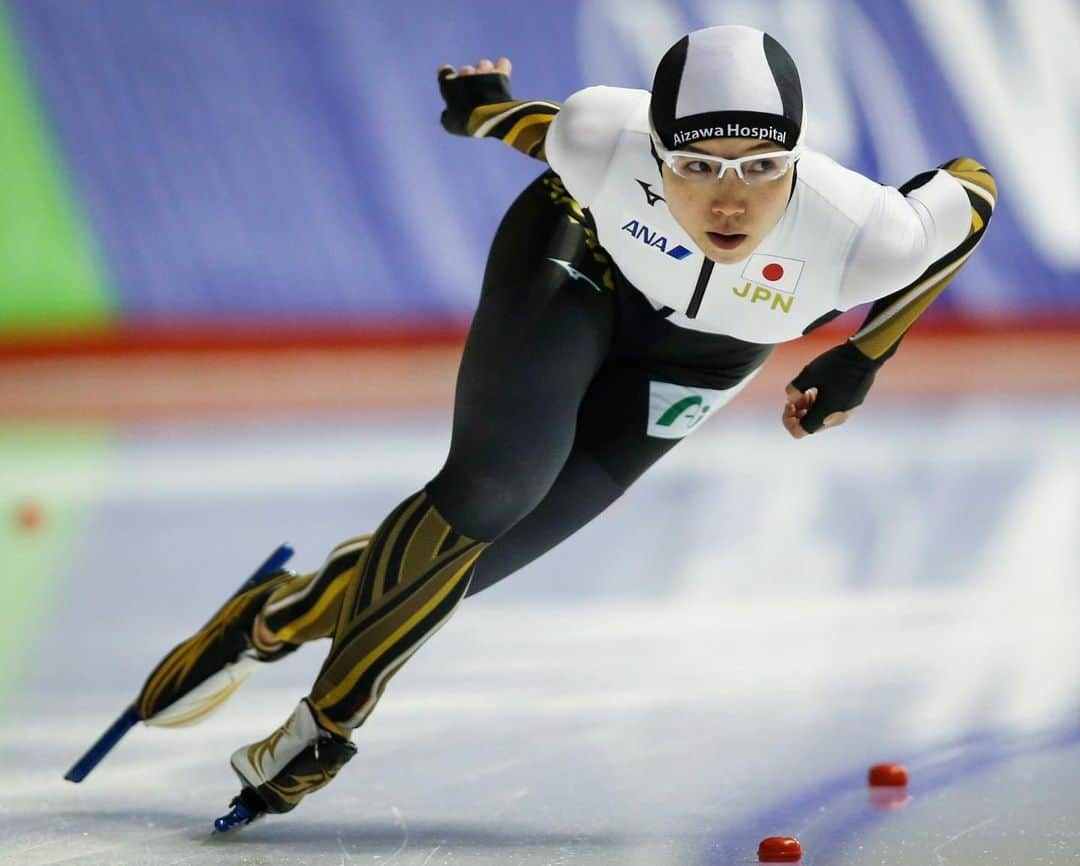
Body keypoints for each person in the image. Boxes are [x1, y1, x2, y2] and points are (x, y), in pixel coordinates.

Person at [129, 25, 996, 828]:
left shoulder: (869, 233)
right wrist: (481, 111)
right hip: (577, 262)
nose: (729, 202)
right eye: (695, 167)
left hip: (699, 361)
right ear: (653, 151)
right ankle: (333, 718)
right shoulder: (601, 139)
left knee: (469, 567)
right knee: (495, 487)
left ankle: (271, 618)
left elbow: (972, 195)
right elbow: (540, 127)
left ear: (798, 160)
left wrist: (865, 354)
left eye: (763, 167)